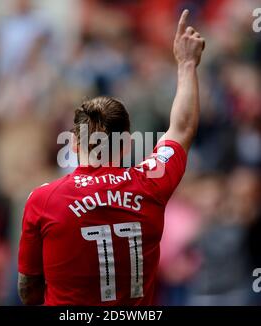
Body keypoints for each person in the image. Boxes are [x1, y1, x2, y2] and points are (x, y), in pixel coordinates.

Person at [18, 10, 205, 305]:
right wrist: (187, 63)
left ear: (74, 144)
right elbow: (182, 129)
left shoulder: (43, 201)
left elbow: (28, 290)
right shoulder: (151, 183)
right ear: (127, 144)